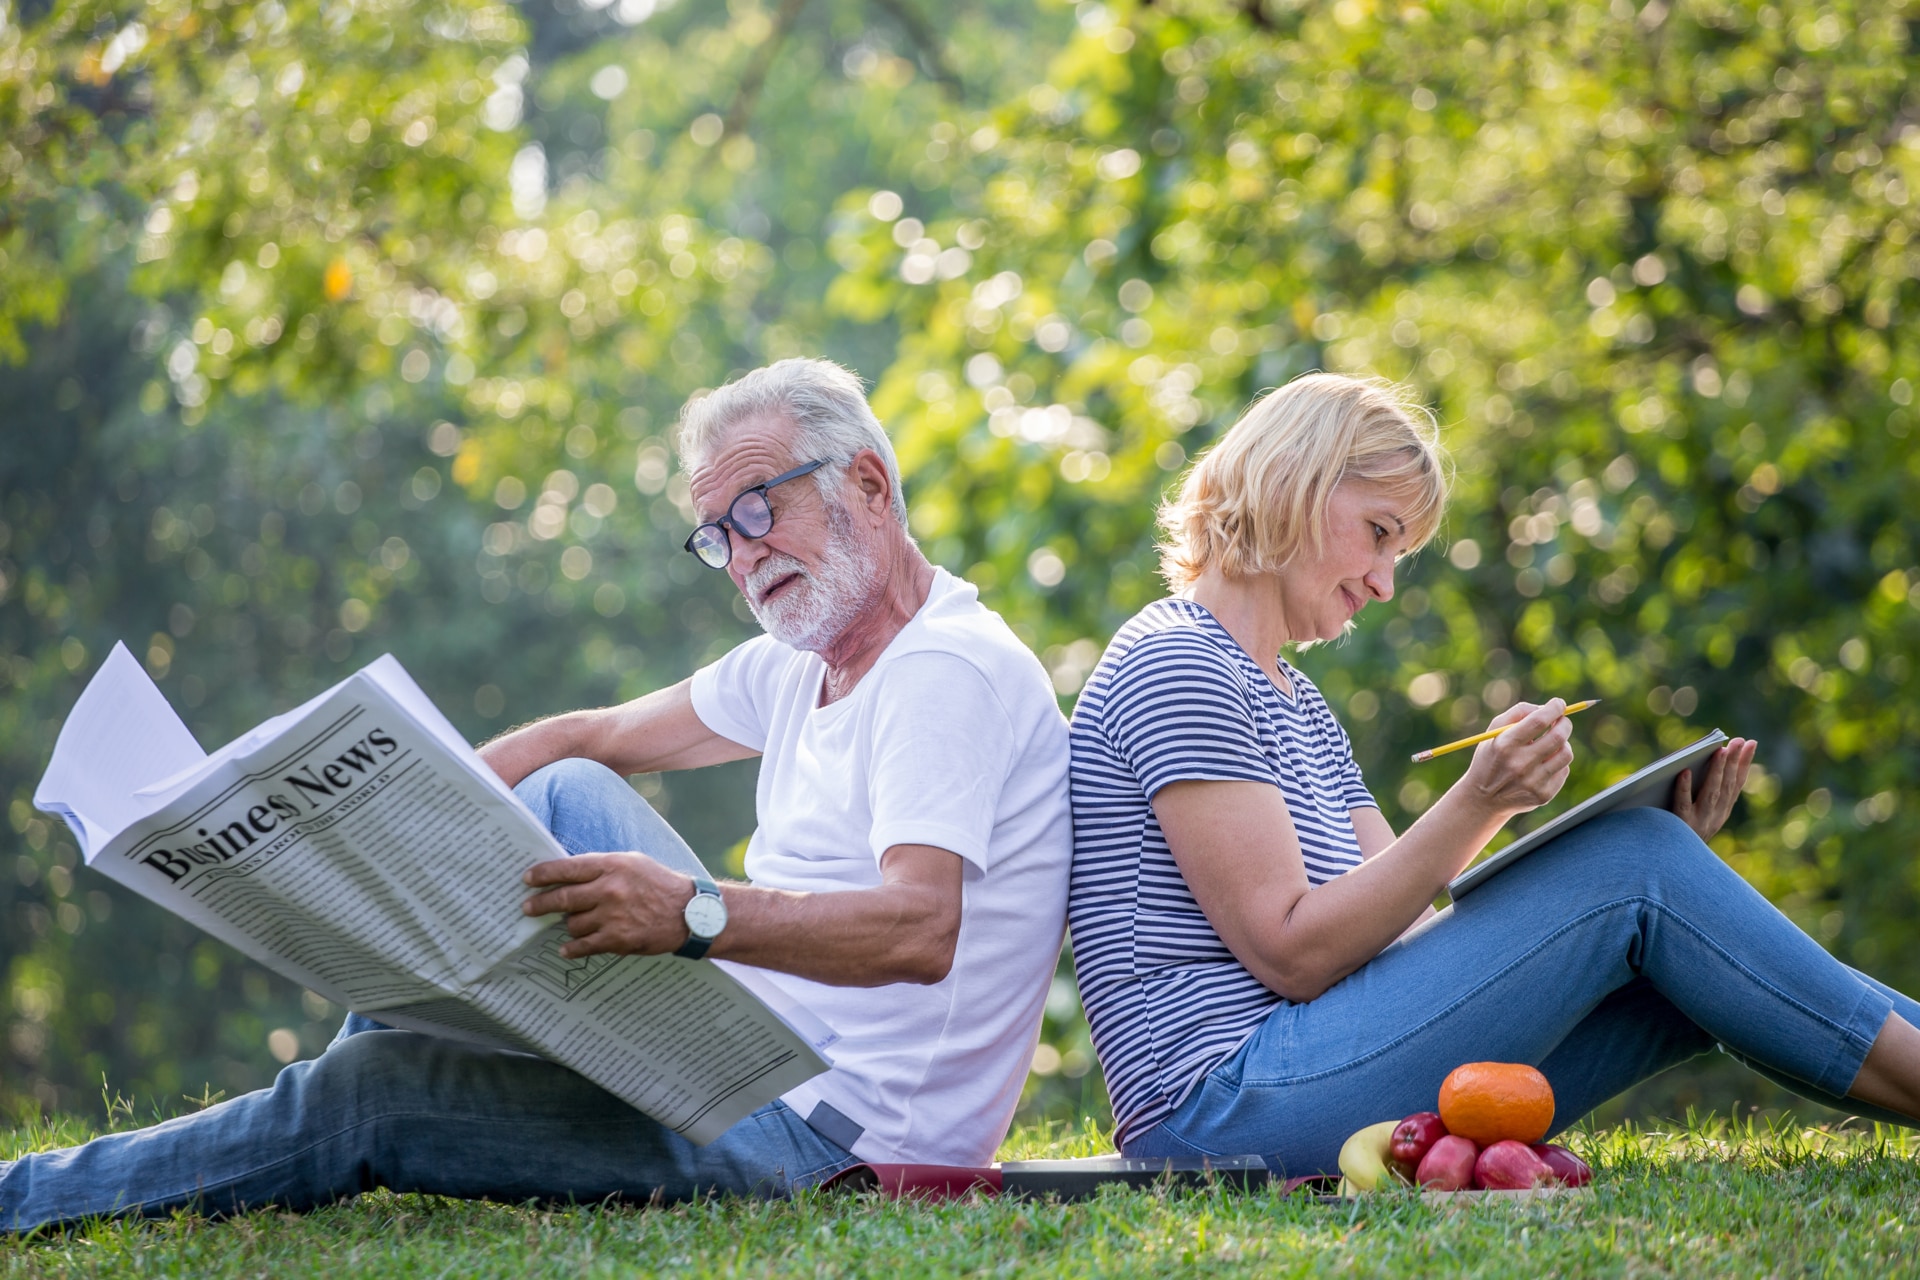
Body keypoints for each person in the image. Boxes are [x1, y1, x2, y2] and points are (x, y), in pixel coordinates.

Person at [1, 358, 1072, 1231]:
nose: (745, 557)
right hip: (752, 1062)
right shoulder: (810, 657)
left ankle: (33, 1198)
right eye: (720, 536)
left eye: (760, 508)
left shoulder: (945, 672)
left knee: (373, 1092)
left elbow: (920, 929)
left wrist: (692, 914)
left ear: (871, 486)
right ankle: (330, 1106)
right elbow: (585, 736)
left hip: (831, 1140)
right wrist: (394, 808)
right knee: (563, 781)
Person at [1067, 372, 1920, 1172]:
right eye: (1379, 535)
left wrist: (1671, 881)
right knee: (1635, 869)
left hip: (1307, 1074)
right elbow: (1293, 953)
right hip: (1218, 1113)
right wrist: (1487, 801)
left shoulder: (1294, 698)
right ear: (1295, 482)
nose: (1384, 582)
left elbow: (1397, 940)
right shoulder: (1178, 662)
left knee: (1681, 944)